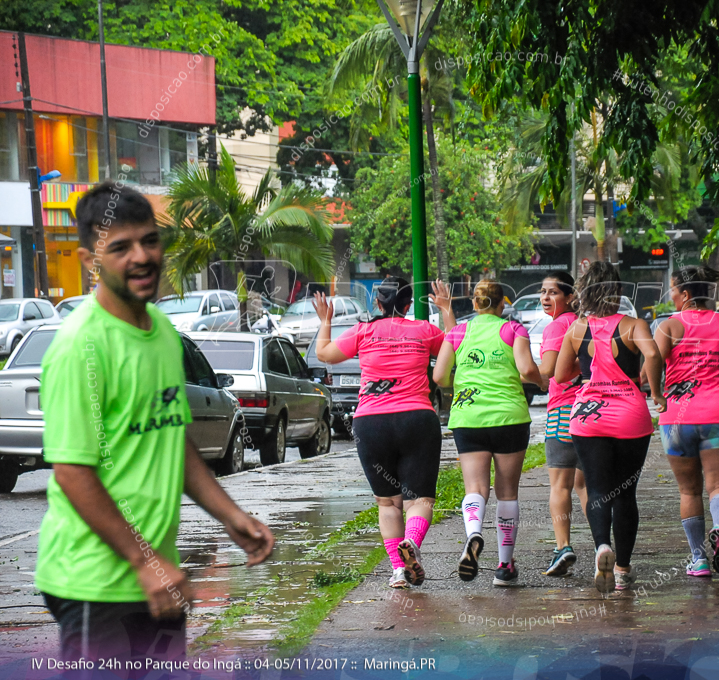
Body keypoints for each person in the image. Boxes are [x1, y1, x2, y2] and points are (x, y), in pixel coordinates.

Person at [36, 181, 275, 666]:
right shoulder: (81, 346)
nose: (141, 257)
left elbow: (175, 443)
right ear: (90, 261)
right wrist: (145, 563)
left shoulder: (164, 334)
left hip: (160, 578)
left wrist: (233, 518)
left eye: (149, 241)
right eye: (120, 248)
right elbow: (73, 473)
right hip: (95, 582)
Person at [313, 278, 455, 589]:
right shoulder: (424, 331)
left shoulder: (363, 331)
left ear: (377, 303)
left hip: (370, 423)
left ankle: (398, 571)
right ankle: (412, 543)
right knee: (419, 500)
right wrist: (446, 311)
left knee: (387, 503)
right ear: (408, 305)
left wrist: (326, 321)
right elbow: (452, 346)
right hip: (416, 419)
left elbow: (324, 354)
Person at [554, 262, 666, 593]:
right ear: (616, 291)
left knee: (597, 489)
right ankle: (622, 569)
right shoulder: (634, 325)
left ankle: (602, 545)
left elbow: (560, 375)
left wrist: (587, 365)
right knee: (625, 494)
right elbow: (654, 356)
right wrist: (656, 392)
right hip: (630, 415)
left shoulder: (576, 330)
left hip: (588, 418)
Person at [433, 280, 543, 586]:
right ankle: (505, 567)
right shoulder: (513, 330)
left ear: (473, 303)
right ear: (502, 304)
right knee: (507, 491)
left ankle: (473, 534)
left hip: (469, 417)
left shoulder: (457, 333)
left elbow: (439, 377)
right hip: (509, 417)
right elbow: (526, 368)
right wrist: (542, 380)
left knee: (475, 488)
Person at [654, 265, 719, 578]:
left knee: (688, 492)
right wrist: (715, 371)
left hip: (677, 420)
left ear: (685, 294)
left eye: (673, 291)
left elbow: (649, 366)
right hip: (718, 415)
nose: (672, 296)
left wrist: (658, 391)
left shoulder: (669, 326)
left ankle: (699, 559)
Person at [536, 271, 588, 576]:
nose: (545, 298)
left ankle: (563, 546)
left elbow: (549, 371)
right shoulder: (586, 324)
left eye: (552, 292)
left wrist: (519, 373)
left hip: (562, 412)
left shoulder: (558, 326)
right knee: (586, 484)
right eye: (542, 292)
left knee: (560, 485)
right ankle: (601, 546)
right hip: (592, 411)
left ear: (569, 297)